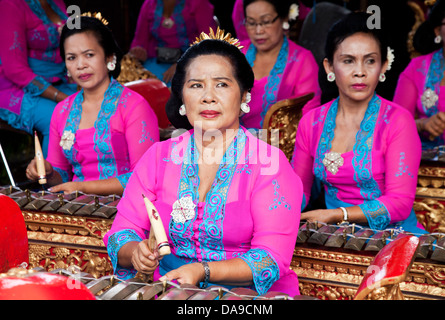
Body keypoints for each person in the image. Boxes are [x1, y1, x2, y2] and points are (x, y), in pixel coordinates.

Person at [104, 28, 303, 296]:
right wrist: (135, 252)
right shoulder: (158, 157)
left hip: (247, 297)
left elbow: (271, 257)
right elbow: (121, 233)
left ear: (244, 96)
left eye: (222, 84)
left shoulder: (270, 164)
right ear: (183, 99)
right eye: (196, 85)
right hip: (170, 290)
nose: (208, 96)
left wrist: (203, 271)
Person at [291, 12, 425, 234]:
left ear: (383, 66)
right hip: (335, 237)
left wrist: (338, 215)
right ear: (329, 67)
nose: (360, 72)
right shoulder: (311, 123)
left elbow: (400, 203)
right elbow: (298, 192)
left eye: (370, 61)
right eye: (348, 61)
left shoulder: (398, 121)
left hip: (396, 236)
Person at [25, 15, 159, 196]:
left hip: (128, 210)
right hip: (77, 209)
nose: (80, 65)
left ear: (109, 57)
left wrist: (82, 187)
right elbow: (62, 176)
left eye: (89, 55)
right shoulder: (62, 111)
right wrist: (47, 172)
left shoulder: (134, 107)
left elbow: (146, 178)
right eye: (71, 57)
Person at [0, 0, 78, 157]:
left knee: (91, 108)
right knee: (56, 118)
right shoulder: (10, 5)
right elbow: (15, 70)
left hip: (59, 80)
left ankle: (88, 176)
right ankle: (54, 179)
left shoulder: (57, 2)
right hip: (14, 85)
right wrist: (62, 97)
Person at [238, 0, 321, 131]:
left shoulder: (302, 61)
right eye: (252, 23)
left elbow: (308, 119)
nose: (258, 30)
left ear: (284, 18)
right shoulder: (236, 54)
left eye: (266, 22)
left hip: (281, 147)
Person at [393, 0, 445, 150]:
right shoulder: (417, 69)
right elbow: (395, 124)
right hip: (430, 166)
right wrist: (422, 124)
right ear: (438, 31)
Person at [128, 0, 217, 86]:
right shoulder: (149, 4)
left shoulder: (198, 2)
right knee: (140, 86)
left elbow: (208, 43)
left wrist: (184, 64)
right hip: (155, 62)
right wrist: (139, 51)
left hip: (192, 62)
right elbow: (139, 40)